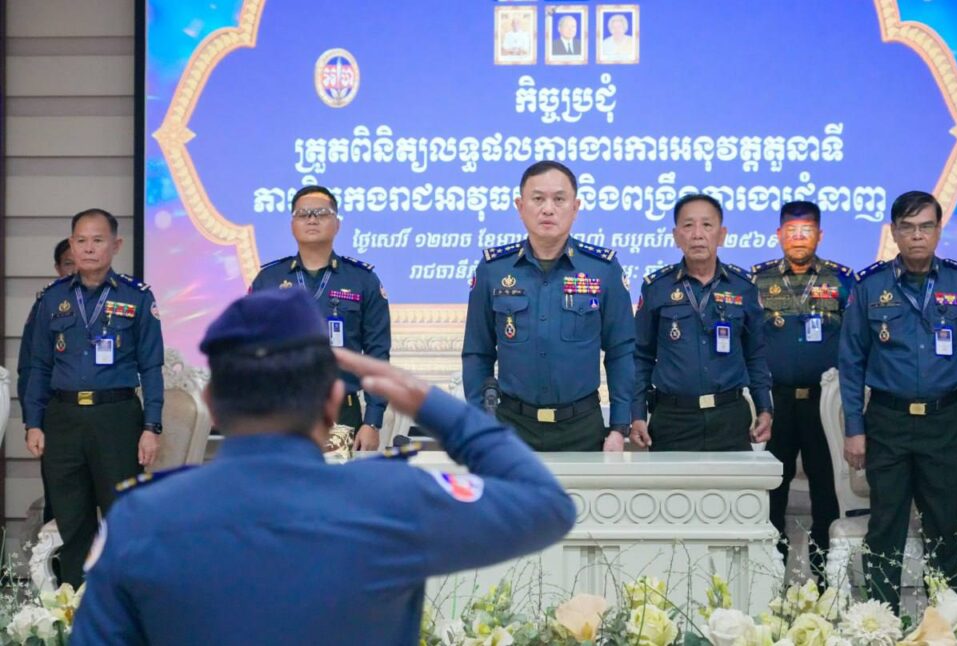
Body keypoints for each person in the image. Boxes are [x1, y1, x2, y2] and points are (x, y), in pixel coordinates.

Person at [71, 289, 577, 645]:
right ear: (333, 401)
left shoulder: (141, 519)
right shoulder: (391, 499)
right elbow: (547, 505)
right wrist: (431, 403)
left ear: (212, 404)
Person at [839, 190, 957, 612]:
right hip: (887, 421)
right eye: (907, 227)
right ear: (894, 233)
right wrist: (854, 428)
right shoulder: (870, 286)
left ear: (939, 231)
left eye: (925, 227)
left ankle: (944, 623)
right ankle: (880, 622)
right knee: (885, 527)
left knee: (943, 528)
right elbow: (851, 363)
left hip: (945, 420)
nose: (917, 236)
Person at [23, 209, 163, 589]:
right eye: (81, 241)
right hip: (63, 419)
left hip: (116, 418)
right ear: (71, 245)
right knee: (72, 521)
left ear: (115, 245)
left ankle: (121, 607)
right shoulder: (52, 298)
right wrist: (33, 422)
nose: (88, 248)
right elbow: (39, 366)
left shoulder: (137, 296)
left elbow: (152, 367)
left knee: (121, 520)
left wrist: (151, 426)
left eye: (98, 240)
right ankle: (73, 607)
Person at [462, 161, 634, 452]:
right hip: (511, 428)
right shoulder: (493, 270)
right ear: (520, 206)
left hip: (582, 428)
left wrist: (619, 427)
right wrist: (480, 423)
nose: (548, 209)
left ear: (575, 207)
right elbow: (478, 353)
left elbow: (621, 352)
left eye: (559, 199)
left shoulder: (603, 269)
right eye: (538, 198)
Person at [751, 201, 851, 584]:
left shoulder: (841, 281)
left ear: (819, 235)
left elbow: (856, 343)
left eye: (806, 231)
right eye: (791, 231)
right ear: (779, 235)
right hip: (774, 405)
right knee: (771, 496)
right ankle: (770, 583)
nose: (798, 238)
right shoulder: (758, 281)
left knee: (826, 496)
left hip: (824, 407)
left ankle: (826, 585)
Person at [250, 185, 390, 451]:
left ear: (337, 224)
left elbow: (377, 355)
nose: (312, 219)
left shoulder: (362, 280)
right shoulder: (267, 281)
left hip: (343, 413)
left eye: (321, 213)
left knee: (337, 480)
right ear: (292, 225)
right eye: (303, 214)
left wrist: (372, 421)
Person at [631, 194, 772, 451]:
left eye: (707, 225)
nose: (697, 234)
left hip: (729, 417)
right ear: (676, 236)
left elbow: (756, 355)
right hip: (673, 419)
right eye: (688, 225)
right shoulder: (656, 288)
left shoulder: (743, 287)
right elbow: (641, 356)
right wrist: (637, 413)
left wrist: (765, 407)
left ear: (722, 235)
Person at [18, 239, 76, 524]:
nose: (75, 269)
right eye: (68, 263)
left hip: (103, 419)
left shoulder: (117, 300)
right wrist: (34, 422)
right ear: (57, 268)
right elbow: (30, 368)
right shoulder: (47, 304)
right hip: (57, 416)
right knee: (61, 502)